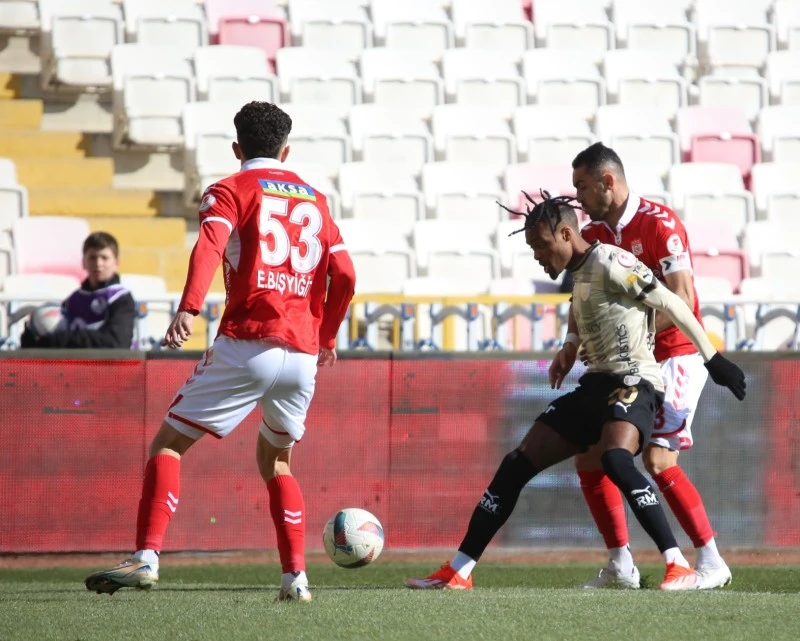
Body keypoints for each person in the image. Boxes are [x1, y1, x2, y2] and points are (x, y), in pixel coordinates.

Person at [84, 102, 356, 602]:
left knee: (167, 445)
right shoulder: (317, 201)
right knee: (277, 462)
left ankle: (146, 557)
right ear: (286, 150)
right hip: (300, 355)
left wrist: (188, 307)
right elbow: (347, 276)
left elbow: (210, 244)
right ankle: (295, 579)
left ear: (237, 149)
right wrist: (329, 336)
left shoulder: (230, 189)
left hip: (248, 340)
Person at [406, 192, 745, 592]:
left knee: (617, 460)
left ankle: (678, 563)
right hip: (596, 384)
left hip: (634, 382)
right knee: (517, 463)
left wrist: (713, 359)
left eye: (540, 245)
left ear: (566, 234)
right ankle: (460, 569)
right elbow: (580, 307)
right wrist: (569, 345)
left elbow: (672, 300)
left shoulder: (613, 262)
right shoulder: (582, 271)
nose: (536, 255)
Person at [558, 143, 732, 590]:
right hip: (625, 364)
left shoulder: (660, 226)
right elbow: (583, 292)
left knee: (657, 458)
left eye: (582, 185)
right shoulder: (594, 233)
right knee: (590, 456)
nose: (577, 196)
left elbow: (682, 298)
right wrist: (572, 340)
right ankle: (621, 565)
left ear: (607, 182)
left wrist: (631, 329)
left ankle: (710, 562)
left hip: (674, 356)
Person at [20, 232, 135, 349]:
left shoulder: (121, 298)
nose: (98, 264)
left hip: (113, 366)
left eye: (104, 258)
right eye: (92, 257)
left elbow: (117, 342)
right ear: (83, 262)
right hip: (76, 366)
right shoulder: (73, 299)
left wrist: (59, 340)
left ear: (117, 263)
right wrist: (32, 331)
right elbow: (45, 339)